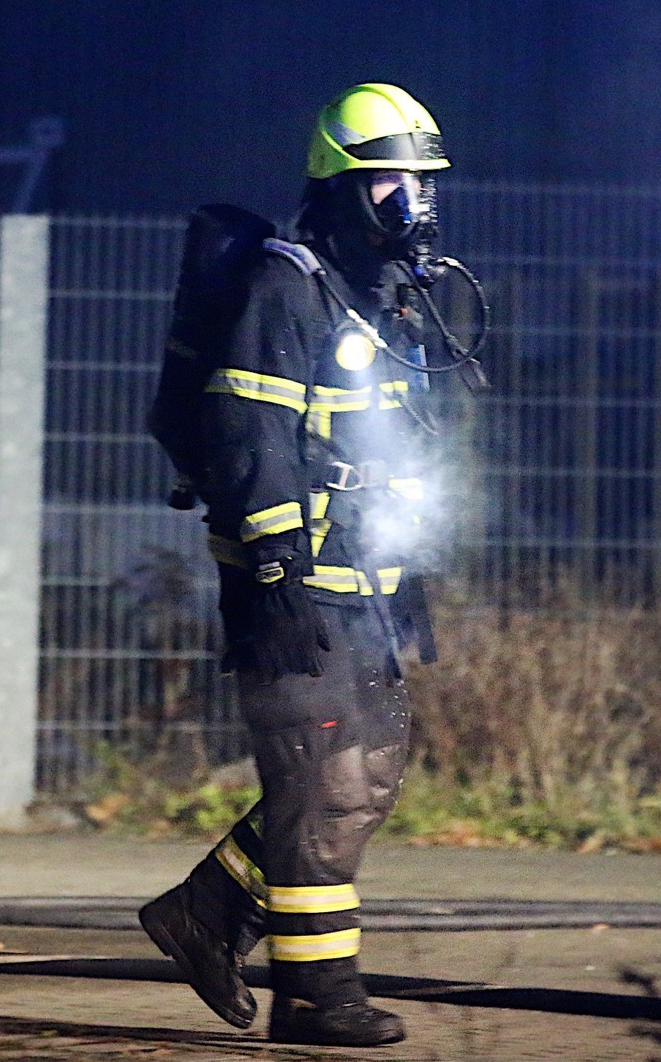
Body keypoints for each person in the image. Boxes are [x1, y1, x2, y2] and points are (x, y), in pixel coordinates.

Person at [139, 83, 456, 1047]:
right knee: (325, 778)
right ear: (345, 184)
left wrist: (411, 560)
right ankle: (318, 993)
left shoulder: (383, 296)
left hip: (365, 585)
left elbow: (393, 437)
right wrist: (275, 571)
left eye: (423, 184)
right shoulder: (285, 287)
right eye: (393, 183)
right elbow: (250, 436)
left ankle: (206, 910)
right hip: (292, 586)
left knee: (368, 775)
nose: (412, 202)